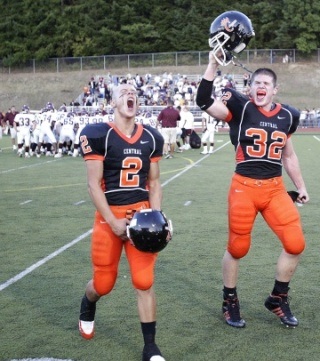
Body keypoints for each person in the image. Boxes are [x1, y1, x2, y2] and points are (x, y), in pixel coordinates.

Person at [196, 51, 309, 329]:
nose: (261, 87)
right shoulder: (241, 107)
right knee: (238, 247)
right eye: (256, 83)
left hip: (274, 189)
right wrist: (212, 65)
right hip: (243, 188)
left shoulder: (288, 115)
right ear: (250, 88)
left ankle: (278, 297)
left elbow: (289, 155)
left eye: (266, 84)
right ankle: (229, 300)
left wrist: (301, 186)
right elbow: (203, 101)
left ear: (274, 89)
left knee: (296, 244)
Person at [78, 83, 169, 361]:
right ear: (112, 103)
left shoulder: (151, 137)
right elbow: (94, 185)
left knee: (144, 281)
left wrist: (158, 219)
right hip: (109, 216)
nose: (130, 95)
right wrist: (112, 221)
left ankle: (150, 346)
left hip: (140, 216)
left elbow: (154, 183)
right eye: (123, 93)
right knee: (103, 284)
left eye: (134, 93)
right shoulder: (97, 134)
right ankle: (87, 304)